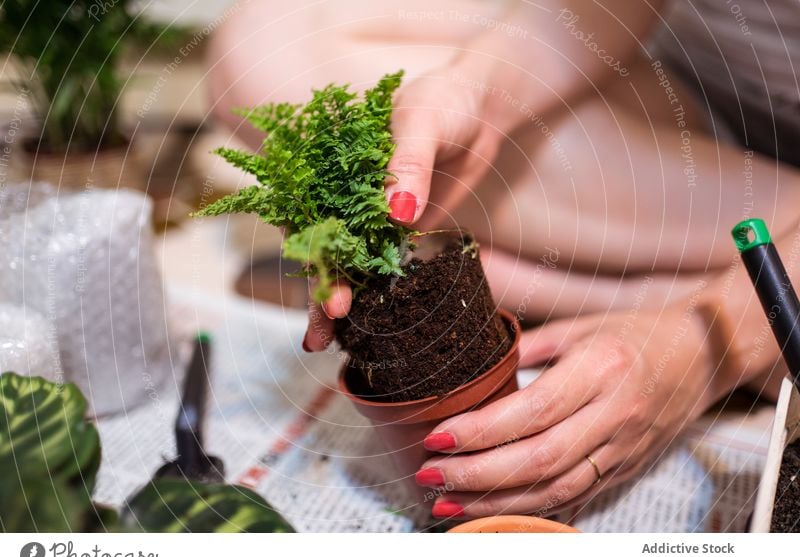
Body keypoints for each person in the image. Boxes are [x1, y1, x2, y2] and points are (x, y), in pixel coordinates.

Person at [209, 0, 800, 520]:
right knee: (265, 41)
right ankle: (757, 291)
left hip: (754, 189)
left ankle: (737, 304)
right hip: (692, 116)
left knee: (499, 263)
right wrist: (478, 93)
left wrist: (701, 348)